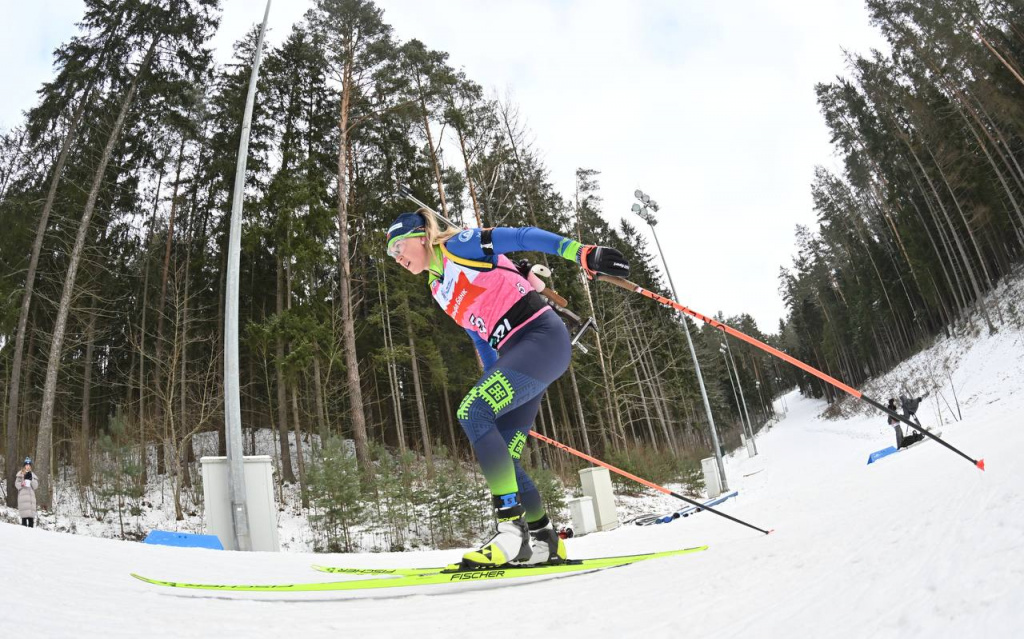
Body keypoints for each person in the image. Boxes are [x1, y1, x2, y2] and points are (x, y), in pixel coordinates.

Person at [386, 210, 629, 569]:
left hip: (541, 338)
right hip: (518, 356)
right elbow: (478, 334)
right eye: (392, 255)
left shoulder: (460, 246)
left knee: (472, 411)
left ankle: (511, 531)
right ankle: (545, 538)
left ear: (422, 236)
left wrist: (580, 252)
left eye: (399, 246)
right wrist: (494, 377)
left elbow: (522, 236)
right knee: (504, 449)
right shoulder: (437, 287)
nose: (398, 257)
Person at [15, 457, 39, 528]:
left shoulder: (33, 475)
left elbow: (35, 486)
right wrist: (22, 483)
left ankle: (31, 536)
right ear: (24, 466)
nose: (28, 466)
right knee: (24, 520)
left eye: (29, 465)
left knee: (31, 520)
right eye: (26, 465)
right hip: (23, 498)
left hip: (31, 500)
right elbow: (16, 484)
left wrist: (31, 480)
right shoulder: (20, 474)